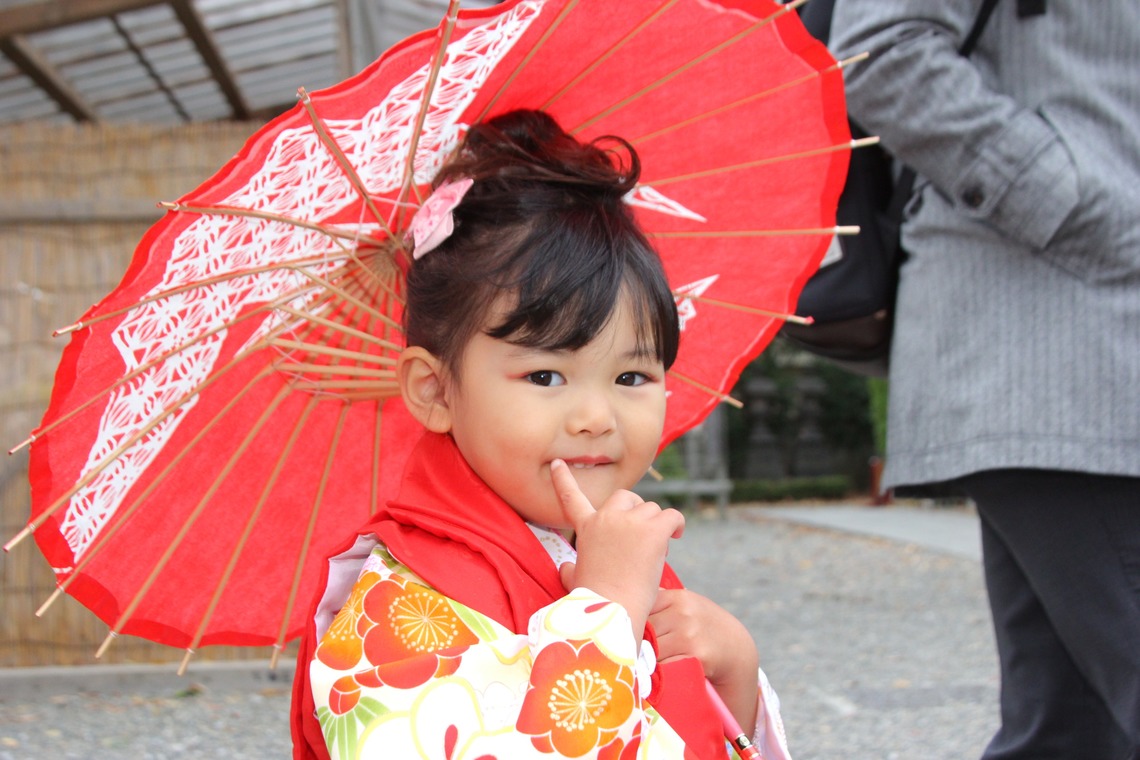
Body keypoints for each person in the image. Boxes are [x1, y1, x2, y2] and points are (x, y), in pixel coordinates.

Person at [290, 109, 792, 760]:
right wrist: (605, 613)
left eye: (633, 376)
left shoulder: (597, 550)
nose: (597, 416)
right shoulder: (394, 609)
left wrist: (736, 674)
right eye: (548, 375)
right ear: (434, 390)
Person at [827, 2, 1140, 758]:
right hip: (1053, 335)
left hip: (1085, 343)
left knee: (1067, 731)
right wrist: (1080, 206)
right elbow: (881, 49)